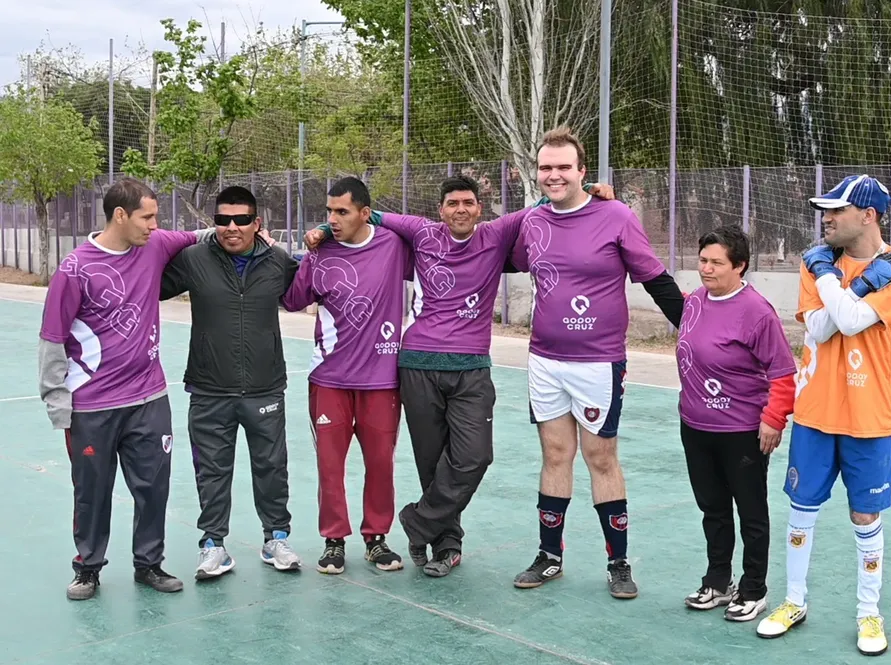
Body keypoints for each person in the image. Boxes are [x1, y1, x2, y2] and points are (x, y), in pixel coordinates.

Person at [304, 175, 615, 578]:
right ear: (440, 209)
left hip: (471, 369)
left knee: (474, 456)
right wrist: (322, 229)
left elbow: (545, 203)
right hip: (417, 365)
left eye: (468, 202)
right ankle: (446, 546)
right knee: (432, 465)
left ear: (480, 208)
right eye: (452, 203)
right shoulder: (420, 232)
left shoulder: (496, 234)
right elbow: (368, 215)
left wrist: (588, 189)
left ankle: (419, 522)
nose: (461, 209)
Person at [506, 127, 686, 599]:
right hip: (544, 360)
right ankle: (549, 556)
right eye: (546, 167)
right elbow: (500, 258)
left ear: (583, 171)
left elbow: (655, 279)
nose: (554, 175)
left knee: (600, 457)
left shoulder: (616, 215)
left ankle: (618, 562)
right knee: (554, 455)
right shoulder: (532, 223)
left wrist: (695, 329)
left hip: (598, 362)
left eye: (564, 167)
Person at [755, 174, 891, 656]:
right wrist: (843, 280)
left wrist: (848, 282)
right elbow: (823, 329)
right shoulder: (817, 262)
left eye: (836, 211)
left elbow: (850, 320)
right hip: (815, 411)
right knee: (802, 507)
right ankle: (793, 601)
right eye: (824, 210)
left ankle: (869, 614)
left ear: (868, 216)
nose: (825, 218)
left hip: (871, 415)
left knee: (864, 514)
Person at [38, 177, 215, 600]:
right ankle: (88, 568)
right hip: (92, 406)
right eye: (148, 216)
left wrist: (242, 230)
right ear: (121, 215)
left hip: (150, 398)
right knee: (92, 491)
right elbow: (52, 338)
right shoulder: (75, 268)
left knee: (153, 488)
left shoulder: (153, 245)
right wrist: (58, 405)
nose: (156, 225)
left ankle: (149, 564)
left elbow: (200, 234)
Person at [159, 185, 303, 579]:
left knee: (272, 467)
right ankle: (213, 545)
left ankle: (276, 538)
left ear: (258, 223)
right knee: (211, 471)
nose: (232, 227)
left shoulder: (278, 261)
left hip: (265, 387)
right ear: (213, 224)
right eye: (222, 220)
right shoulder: (192, 259)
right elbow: (148, 285)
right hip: (209, 388)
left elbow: (312, 285)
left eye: (241, 219)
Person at [283, 177, 413, 574]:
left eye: (342, 212)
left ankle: (376, 539)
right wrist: (310, 252)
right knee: (330, 465)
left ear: (364, 212)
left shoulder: (393, 245)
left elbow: (433, 242)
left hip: (382, 379)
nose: (333, 220)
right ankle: (334, 540)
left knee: (381, 464)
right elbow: (293, 301)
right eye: (329, 213)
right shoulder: (321, 252)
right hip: (329, 377)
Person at [676, 225, 797, 623]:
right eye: (703, 261)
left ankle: (753, 589)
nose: (706, 269)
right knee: (712, 507)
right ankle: (717, 581)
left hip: (742, 430)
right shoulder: (694, 301)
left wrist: (773, 419)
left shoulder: (757, 312)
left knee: (750, 512)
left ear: (740, 266)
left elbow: (781, 373)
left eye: (716, 263)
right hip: (695, 425)